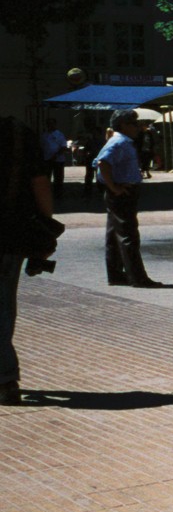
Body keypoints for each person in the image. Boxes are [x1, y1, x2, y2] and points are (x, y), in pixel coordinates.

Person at [2, 116, 60, 403]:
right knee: (2, 305)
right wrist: (47, 228)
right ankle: (5, 380)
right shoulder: (18, 134)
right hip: (9, 233)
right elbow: (39, 182)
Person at [94, 110, 160, 287]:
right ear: (123, 125)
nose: (138, 127)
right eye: (134, 123)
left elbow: (101, 163)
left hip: (120, 191)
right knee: (128, 235)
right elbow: (102, 163)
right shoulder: (120, 142)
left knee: (114, 234)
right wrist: (114, 187)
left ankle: (116, 274)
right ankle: (137, 277)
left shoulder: (120, 141)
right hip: (123, 192)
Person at [40, 120, 69, 205]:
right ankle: (47, 193)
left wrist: (56, 155)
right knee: (47, 177)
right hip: (47, 159)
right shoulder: (44, 135)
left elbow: (63, 147)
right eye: (48, 124)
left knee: (58, 178)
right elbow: (42, 146)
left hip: (58, 160)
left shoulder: (59, 135)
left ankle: (58, 195)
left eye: (52, 124)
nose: (50, 126)